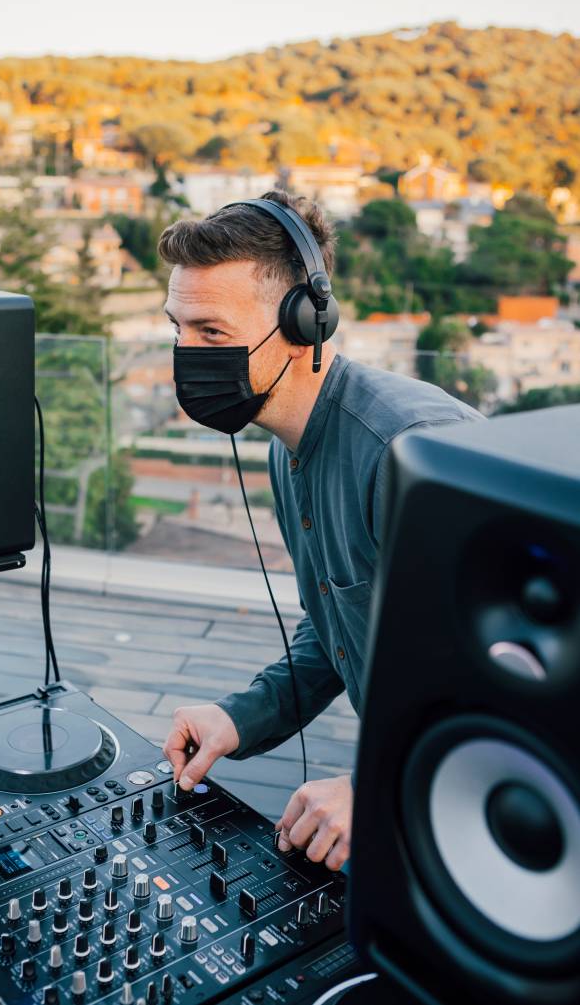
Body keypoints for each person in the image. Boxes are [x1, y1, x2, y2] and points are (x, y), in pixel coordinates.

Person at [158, 190, 484, 870]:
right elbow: (338, 624)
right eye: (176, 328)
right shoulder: (288, 448)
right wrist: (240, 716)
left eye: (211, 332)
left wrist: (378, 789)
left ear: (307, 322)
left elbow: (512, 679)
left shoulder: (413, 451)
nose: (185, 355)